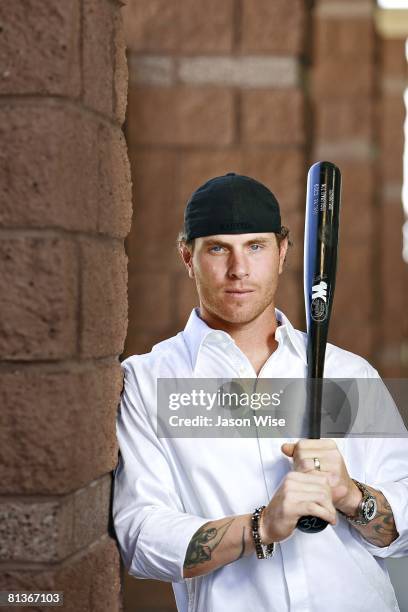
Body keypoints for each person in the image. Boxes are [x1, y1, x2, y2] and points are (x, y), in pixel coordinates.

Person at [112, 172, 408, 612]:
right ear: (187, 257)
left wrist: (350, 495)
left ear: (283, 251)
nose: (239, 269)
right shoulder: (147, 381)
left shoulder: (349, 372)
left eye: (255, 246)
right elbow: (140, 537)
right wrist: (259, 528)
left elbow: (402, 531)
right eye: (217, 248)